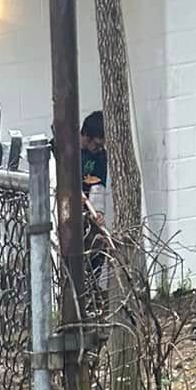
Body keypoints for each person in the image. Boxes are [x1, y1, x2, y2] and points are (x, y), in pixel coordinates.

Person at [80, 109, 110, 298]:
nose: (100, 149)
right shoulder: (67, 150)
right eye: (97, 145)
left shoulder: (100, 156)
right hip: (63, 209)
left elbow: (98, 185)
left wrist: (98, 212)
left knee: (99, 244)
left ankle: (90, 290)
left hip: (87, 208)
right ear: (86, 137)